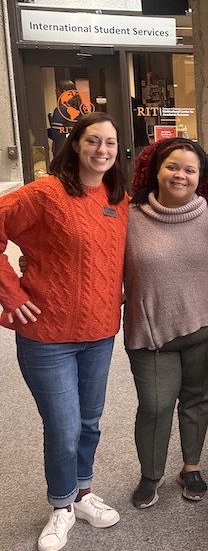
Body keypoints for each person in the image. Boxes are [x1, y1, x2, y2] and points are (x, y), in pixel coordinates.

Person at [0, 112, 128, 551]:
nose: (102, 151)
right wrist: (11, 295)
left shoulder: (118, 195)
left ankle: (83, 492)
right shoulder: (45, 193)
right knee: (64, 426)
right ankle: (61, 506)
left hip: (99, 333)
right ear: (75, 144)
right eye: (93, 141)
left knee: (89, 422)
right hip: (46, 334)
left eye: (110, 143)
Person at [124, 137, 208, 509]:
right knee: (154, 405)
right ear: (155, 170)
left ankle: (191, 467)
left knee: (197, 400)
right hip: (149, 333)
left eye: (189, 169)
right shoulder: (128, 217)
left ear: (201, 177)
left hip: (204, 328)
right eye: (172, 167)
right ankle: (151, 474)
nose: (179, 175)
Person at [48, 80, 82, 157]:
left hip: (63, 151)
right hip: (78, 149)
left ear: (63, 92)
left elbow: (56, 134)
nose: (56, 95)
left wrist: (46, 132)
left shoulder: (61, 110)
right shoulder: (82, 109)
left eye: (57, 92)